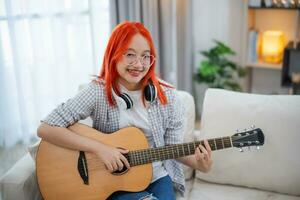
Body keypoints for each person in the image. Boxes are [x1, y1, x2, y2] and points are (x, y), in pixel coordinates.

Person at [37, 21, 213, 200]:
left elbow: (172, 147)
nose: (139, 64)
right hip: (114, 182)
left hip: (157, 178)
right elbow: (46, 128)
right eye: (130, 54)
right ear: (114, 54)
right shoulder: (97, 91)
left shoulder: (168, 97)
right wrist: (101, 149)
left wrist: (199, 164)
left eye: (146, 56)